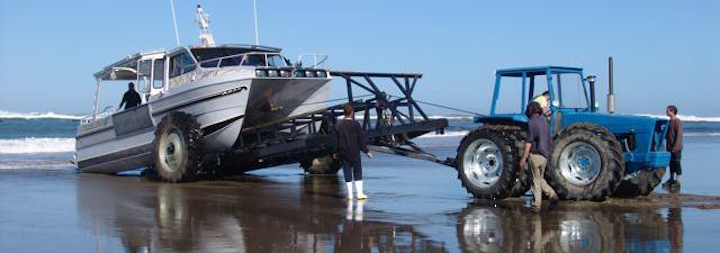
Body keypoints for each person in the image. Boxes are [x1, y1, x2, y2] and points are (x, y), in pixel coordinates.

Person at [520, 102, 558, 212]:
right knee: (540, 179)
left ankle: (536, 205)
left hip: (536, 155)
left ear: (530, 110)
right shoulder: (544, 121)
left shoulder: (531, 122)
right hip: (545, 156)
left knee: (535, 182)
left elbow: (529, 143)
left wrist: (523, 158)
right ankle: (552, 195)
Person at [334, 104, 373, 199]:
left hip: (343, 151)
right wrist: (366, 151)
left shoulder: (338, 124)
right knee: (357, 171)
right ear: (352, 113)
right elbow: (361, 139)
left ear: (344, 113)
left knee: (347, 171)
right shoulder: (356, 124)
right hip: (354, 151)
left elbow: (336, 140)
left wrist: (335, 152)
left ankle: (350, 195)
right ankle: (359, 194)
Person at [662, 105, 683, 193]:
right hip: (669, 147)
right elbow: (667, 134)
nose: (666, 112)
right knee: (671, 164)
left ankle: (678, 181)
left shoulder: (677, 122)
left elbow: (679, 135)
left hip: (676, 147)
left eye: (668, 111)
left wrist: (676, 147)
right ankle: (671, 179)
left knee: (677, 163)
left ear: (672, 111)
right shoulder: (669, 121)